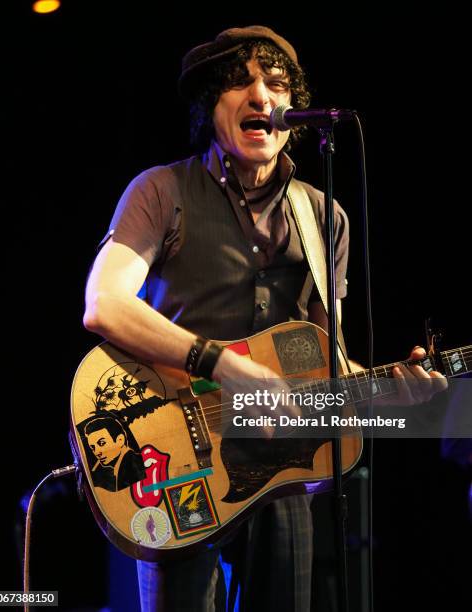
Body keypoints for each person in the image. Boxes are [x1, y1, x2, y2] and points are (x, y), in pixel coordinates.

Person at [83, 25, 447, 612]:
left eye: (276, 85)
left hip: (276, 464)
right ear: (210, 105)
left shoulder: (323, 217)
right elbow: (103, 303)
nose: (261, 97)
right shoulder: (161, 191)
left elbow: (325, 363)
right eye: (239, 83)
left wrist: (387, 391)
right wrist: (219, 363)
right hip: (172, 451)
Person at [84, 415, 145, 491]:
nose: (97, 452)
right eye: (93, 448)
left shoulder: (132, 467)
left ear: (120, 440)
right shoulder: (124, 465)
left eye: (102, 443)